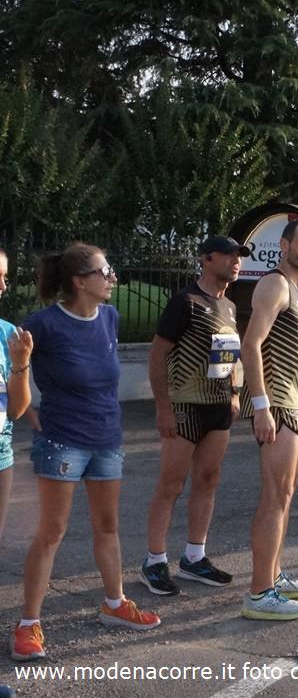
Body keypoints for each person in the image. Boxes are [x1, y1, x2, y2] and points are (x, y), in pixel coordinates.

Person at [13, 244, 161, 663]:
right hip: (62, 440)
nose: (112, 277)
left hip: (106, 439)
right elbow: (14, 372)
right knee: (52, 531)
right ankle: (27, 625)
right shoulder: (42, 324)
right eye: (104, 271)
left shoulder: (109, 317)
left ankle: (115, 604)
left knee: (108, 525)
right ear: (80, 281)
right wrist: (28, 408)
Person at [140, 236, 249, 597]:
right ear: (207, 259)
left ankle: (194, 557)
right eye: (229, 255)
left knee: (208, 479)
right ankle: (154, 561)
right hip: (184, 407)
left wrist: (235, 392)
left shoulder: (229, 306)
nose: (236, 261)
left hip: (218, 408)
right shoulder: (185, 301)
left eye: (239, 256)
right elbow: (157, 355)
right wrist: (163, 407)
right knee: (171, 484)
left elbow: (232, 355)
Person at [238, 220, 298, 620]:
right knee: (275, 496)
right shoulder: (274, 284)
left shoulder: (297, 292)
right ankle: (259, 593)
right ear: (285, 245)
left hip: (296, 403)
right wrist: (261, 406)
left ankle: (272, 575)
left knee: (285, 494)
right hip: (277, 404)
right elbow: (250, 345)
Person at [0, 245, 33, 544]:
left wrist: (21, 363)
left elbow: (16, 410)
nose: (2, 286)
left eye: (5, 277)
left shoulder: (7, 334)